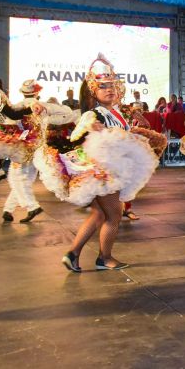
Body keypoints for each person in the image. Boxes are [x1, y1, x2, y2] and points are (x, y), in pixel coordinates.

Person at [33, 54, 159, 271]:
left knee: (99, 214)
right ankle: (104, 258)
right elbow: (80, 130)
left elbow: (122, 134)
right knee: (114, 215)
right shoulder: (95, 113)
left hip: (108, 170)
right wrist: (92, 126)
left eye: (112, 85)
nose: (109, 89)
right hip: (102, 174)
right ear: (94, 92)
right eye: (102, 87)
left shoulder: (116, 113)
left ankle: (72, 254)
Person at [0, 80, 74, 223]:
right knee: (23, 180)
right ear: (37, 92)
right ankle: (8, 210)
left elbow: (7, 124)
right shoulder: (42, 106)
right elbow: (67, 112)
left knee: (16, 178)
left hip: (22, 148)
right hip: (39, 148)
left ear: (22, 92)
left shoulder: (16, 107)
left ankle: (32, 206)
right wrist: (47, 113)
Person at [0, 82, 45, 211]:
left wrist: (31, 109)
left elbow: (12, 115)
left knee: (17, 176)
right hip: (23, 144)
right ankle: (28, 207)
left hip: (10, 141)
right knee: (20, 177)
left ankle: (12, 209)